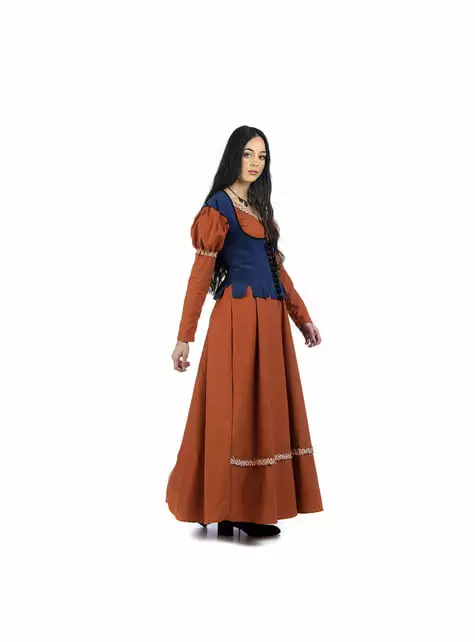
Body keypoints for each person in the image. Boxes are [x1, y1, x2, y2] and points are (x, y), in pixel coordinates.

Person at [166, 126, 324, 539]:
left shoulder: (259, 209)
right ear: (234, 156)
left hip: (270, 324)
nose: (255, 163)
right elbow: (200, 276)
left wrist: (302, 318)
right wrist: (185, 336)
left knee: (262, 413)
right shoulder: (218, 208)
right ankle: (227, 507)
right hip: (238, 321)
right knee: (236, 414)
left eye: (262, 156)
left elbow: (278, 272)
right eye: (248, 154)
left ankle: (249, 507)